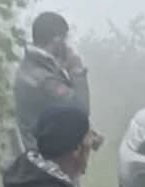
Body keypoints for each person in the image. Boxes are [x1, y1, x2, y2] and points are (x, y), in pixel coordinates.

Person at [15, 12, 92, 153]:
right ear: (57, 40)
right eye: (65, 39)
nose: (68, 46)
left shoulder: (31, 67)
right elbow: (81, 110)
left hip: (38, 158)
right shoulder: (44, 79)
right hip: (47, 163)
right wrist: (77, 70)